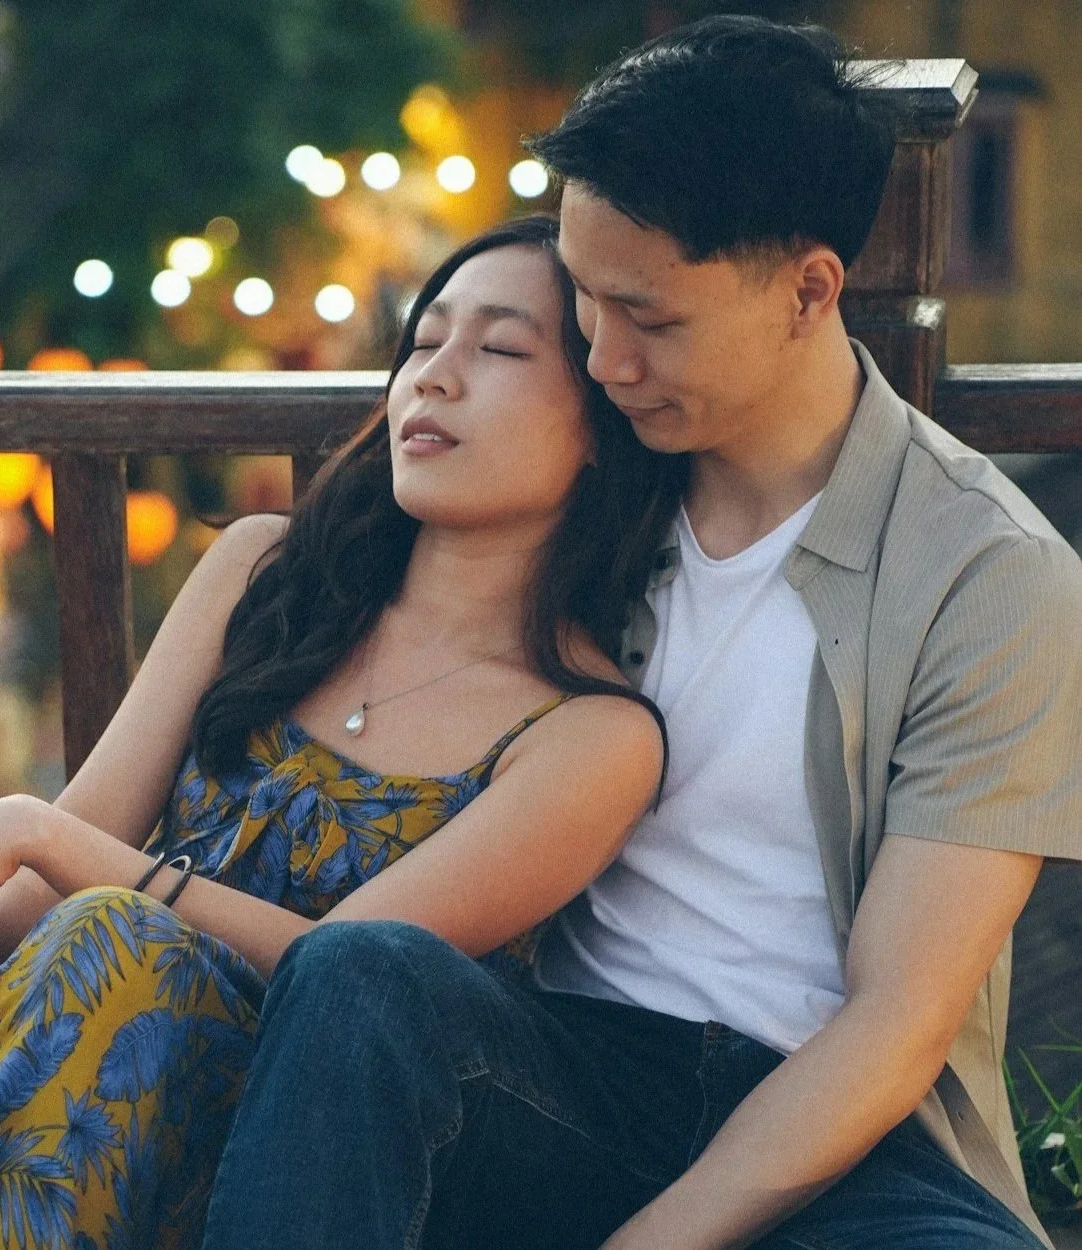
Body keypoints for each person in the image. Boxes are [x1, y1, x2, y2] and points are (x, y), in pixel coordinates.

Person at [198, 16, 1082, 1250]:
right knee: (361, 976)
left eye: (647, 318)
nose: (602, 360)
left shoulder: (985, 575)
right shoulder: (585, 484)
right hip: (558, 1066)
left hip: (838, 1133)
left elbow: (895, 1023)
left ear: (808, 289)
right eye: (582, 305)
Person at [0, 214, 686, 1249]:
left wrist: (56, 845)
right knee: (71, 950)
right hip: (81, 1052)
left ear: (596, 427)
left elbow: (345, 976)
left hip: (285, 1150)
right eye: (423, 340)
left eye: (498, 349)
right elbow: (88, 823)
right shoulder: (267, 572)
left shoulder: (588, 734)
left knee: (111, 935)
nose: (431, 378)